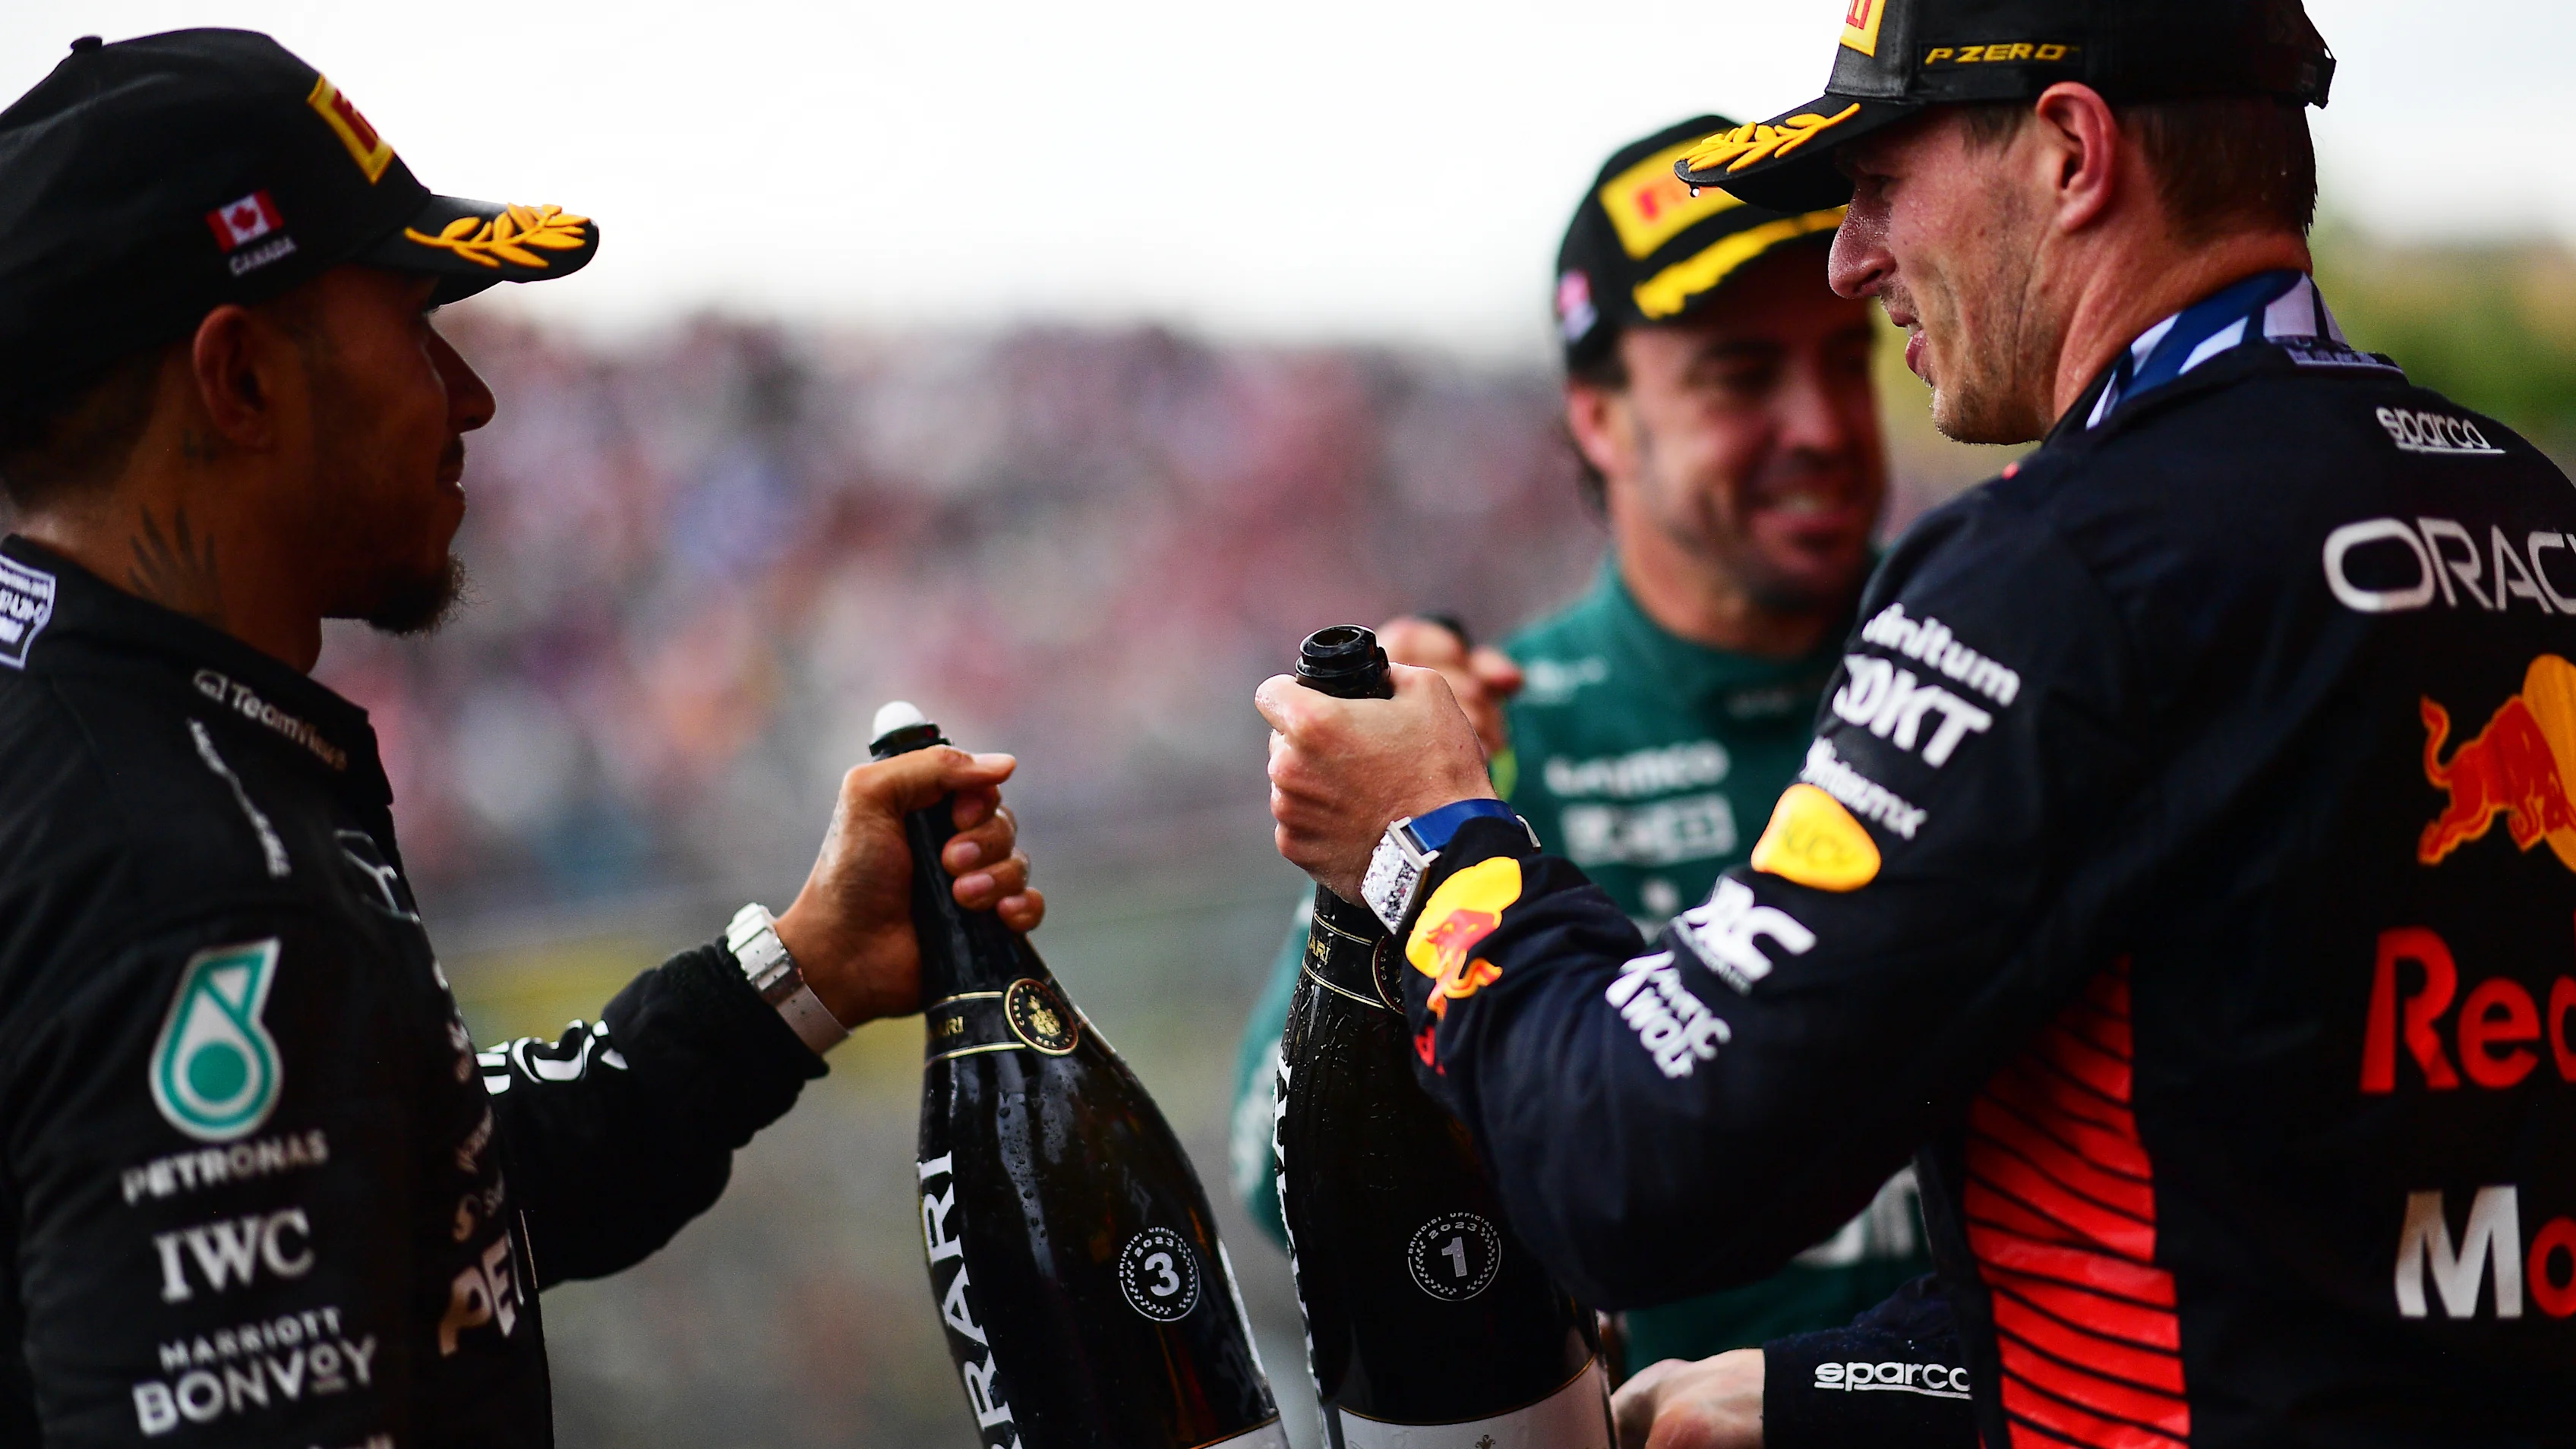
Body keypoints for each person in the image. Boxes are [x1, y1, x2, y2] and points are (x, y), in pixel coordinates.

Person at [1259, 0, 2576, 1443]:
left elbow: (1637, 1169)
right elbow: (2277, 1235)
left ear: (2072, 155)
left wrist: (1433, 843)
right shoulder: (2526, 509)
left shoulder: (2059, 570)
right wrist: (1834, 1390)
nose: (1852, 258)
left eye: (1881, 182)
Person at [0, 32, 1040, 1446]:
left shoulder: (110, 735)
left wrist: (803, 971)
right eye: (417, 324)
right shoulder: (186, 876)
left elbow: (401, 1203)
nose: (469, 394)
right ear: (239, 381)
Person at [1223, 115, 1938, 1375]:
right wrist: (1411, 855)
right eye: (1738, 377)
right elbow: (1275, 1181)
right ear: (1601, 418)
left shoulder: (2000, 656)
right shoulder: (1487, 744)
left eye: (1844, 359)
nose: (1821, 425)